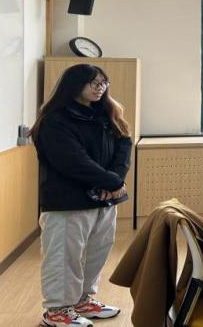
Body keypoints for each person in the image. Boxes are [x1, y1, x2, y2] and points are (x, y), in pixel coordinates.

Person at [30, 64, 131, 327]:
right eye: (94, 83)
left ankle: (82, 300)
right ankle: (57, 311)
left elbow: (124, 144)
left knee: (97, 252)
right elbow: (73, 160)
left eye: (104, 83)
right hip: (68, 202)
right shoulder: (55, 119)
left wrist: (116, 179)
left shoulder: (105, 113)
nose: (100, 88)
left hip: (105, 199)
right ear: (75, 84)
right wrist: (111, 181)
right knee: (64, 257)